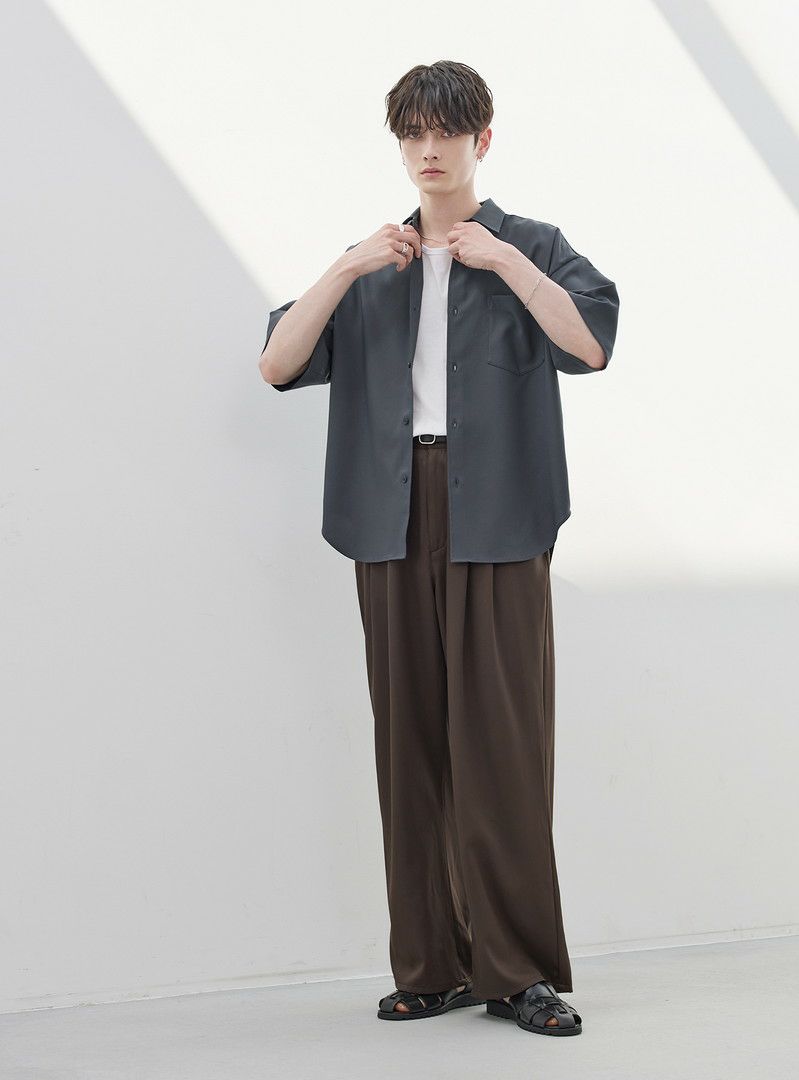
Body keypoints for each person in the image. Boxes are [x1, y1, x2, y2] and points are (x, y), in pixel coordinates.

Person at [259, 60, 619, 1038]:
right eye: (412, 132)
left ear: (480, 141)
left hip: (498, 512)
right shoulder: (373, 261)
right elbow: (277, 362)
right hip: (390, 512)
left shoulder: (531, 246)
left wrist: (505, 263)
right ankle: (430, 965)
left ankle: (516, 971)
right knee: (407, 740)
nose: (428, 149)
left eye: (446, 131)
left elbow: (588, 344)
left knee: (502, 744)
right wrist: (344, 269)